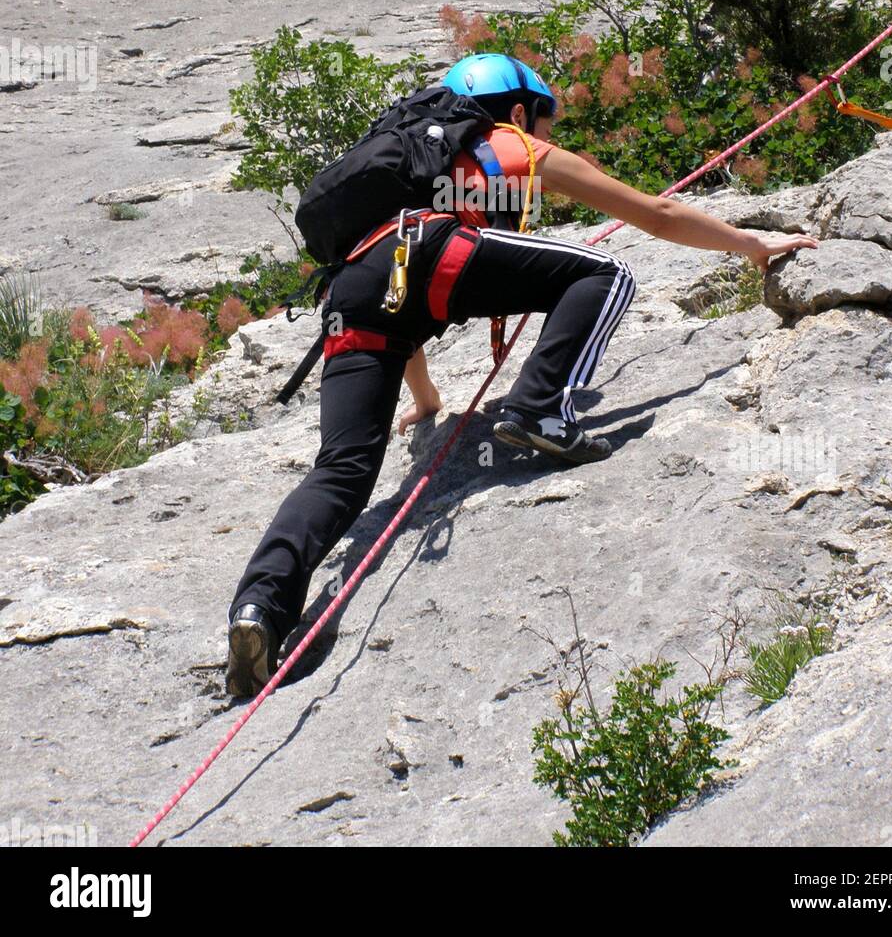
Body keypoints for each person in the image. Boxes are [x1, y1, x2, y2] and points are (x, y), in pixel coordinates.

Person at [225, 53, 817, 697]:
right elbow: (654, 214)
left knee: (342, 469)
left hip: (353, 291)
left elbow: (399, 310)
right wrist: (751, 244)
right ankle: (538, 410)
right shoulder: (509, 146)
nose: (547, 136)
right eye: (543, 119)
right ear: (516, 111)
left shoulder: (410, 169)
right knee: (606, 273)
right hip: (433, 255)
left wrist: (425, 402)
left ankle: (259, 609)